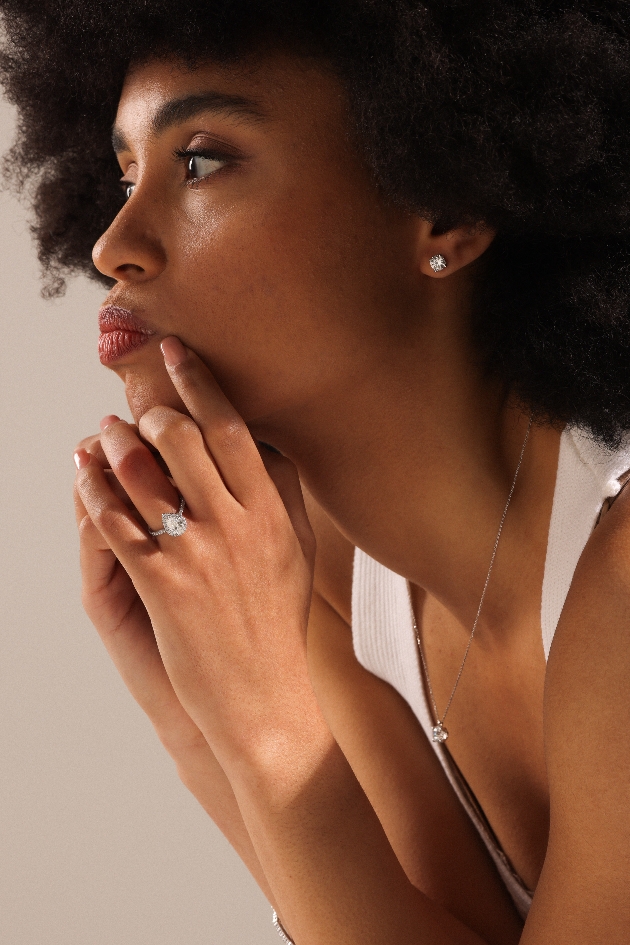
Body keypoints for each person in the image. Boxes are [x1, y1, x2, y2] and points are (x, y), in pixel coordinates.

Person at [1, 1, 630, 942]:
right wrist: (194, 719)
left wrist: (269, 735)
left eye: (201, 160)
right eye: (123, 172)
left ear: (447, 209)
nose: (110, 246)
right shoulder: (329, 578)